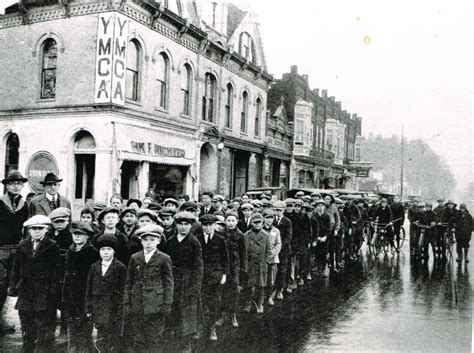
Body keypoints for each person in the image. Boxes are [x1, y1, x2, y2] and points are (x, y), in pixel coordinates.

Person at [9, 215, 62, 353]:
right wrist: (13, 286)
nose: (36, 231)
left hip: (45, 291)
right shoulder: (22, 246)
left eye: (40, 229)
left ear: (46, 230)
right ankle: (27, 347)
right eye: (33, 229)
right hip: (26, 290)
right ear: (29, 230)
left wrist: (53, 290)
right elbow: (16, 268)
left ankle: (43, 349)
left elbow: (56, 271)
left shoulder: (52, 246)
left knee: (44, 323)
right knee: (26, 322)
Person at [124, 225, 174, 352]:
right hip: (138, 302)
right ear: (141, 241)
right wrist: (127, 302)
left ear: (158, 241)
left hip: (156, 304)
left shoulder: (164, 258)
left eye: (152, 240)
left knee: (155, 337)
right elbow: (129, 282)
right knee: (139, 337)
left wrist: (167, 304)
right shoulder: (135, 258)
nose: (148, 243)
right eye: (145, 240)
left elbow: (169, 283)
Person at [165, 212, 203, 351]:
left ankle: (186, 343)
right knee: (173, 309)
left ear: (190, 226)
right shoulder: (170, 241)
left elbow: (198, 266)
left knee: (187, 313)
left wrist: (196, 286)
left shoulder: (194, 242)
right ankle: (173, 338)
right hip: (172, 279)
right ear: (176, 225)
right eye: (180, 224)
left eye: (186, 224)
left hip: (187, 281)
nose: (183, 227)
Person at [85, 234, 127, 353]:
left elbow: (123, 289)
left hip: (113, 309)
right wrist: (89, 307)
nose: (106, 252)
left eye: (109, 249)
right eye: (103, 249)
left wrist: (120, 309)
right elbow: (89, 288)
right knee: (100, 336)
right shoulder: (94, 267)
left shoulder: (120, 267)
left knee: (113, 337)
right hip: (98, 308)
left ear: (114, 251)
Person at [62, 221, 99, 353]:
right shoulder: (70, 250)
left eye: (80, 234)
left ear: (87, 236)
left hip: (84, 295)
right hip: (70, 295)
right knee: (71, 328)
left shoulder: (92, 253)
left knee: (84, 329)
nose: (76, 237)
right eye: (74, 234)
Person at [0, 171, 29, 335]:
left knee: (12, 285)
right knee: (0, 284)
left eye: (19, 183)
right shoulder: (0, 203)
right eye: (13, 183)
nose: (16, 186)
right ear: (7, 185)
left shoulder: (24, 206)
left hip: (16, 249)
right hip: (1, 249)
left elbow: (25, 228)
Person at [196, 214, 229, 341]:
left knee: (214, 302)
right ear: (202, 226)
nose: (208, 228)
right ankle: (200, 326)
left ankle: (212, 328)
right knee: (201, 302)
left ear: (215, 225)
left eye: (211, 225)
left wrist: (224, 275)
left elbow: (225, 258)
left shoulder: (220, 239)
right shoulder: (197, 239)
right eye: (205, 225)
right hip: (202, 276)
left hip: (216, 276)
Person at [221, 211, 247, 327]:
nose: (230, 223)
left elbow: (244, 255)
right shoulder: (221, 234)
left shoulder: (240, 236)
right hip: (223, 267)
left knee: (234, 291)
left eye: (233, 220)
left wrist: (243, 271)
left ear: (237, 222)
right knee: (222, 291)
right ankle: (221, 314)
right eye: (228, 220)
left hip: (235, 268)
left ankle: (233, 315)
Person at [243, 213, 271, 314]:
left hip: (262, 264)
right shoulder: (246, 235)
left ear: (262, 223)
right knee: (249, 285)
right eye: (255, 222)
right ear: (252, 223)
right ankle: (248, 303)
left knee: (261, 285)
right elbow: (244, 252)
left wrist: (266, 262)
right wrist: (245, 265)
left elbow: (269, 250)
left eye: (259, 222)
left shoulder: (266, 235)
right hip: (250, 264)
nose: (257, 224)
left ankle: (260, 304)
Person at [273, 200, 292, 300]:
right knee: (273, 270)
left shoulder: (287, 221)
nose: (278, 212)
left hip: (283, 250)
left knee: (282, 270)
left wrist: (279, 245)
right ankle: (274, 289)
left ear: (283, 210)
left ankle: (280, 289)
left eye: (280, 210)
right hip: (273, 250)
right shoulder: (272, 221)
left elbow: (289, 237)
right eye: (276, 210)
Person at [262, 209, 281, 306]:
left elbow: (278, 244)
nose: (269, 220)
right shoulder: (260, 229)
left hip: (272, 259)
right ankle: (261, 298)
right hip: (262, 258)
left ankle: (269, 296)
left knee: (271, 279)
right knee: (261, 279)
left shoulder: (276, 231)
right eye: (267, 218)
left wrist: (272, 254)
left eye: (271, 218)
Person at [311, 200, 330, 277]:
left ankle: (323, 269)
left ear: (324, 207)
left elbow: (329, 228)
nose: (320, 207)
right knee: (316, 253)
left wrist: (325, 237)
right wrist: (316, 237)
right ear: (316, 207)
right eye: (318, 205)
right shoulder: (314, 216)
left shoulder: (327, 216)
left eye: (322, 206)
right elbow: (312, 228)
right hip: (316, 237)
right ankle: (317, 267)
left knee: (324, 254)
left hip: (324, 238)